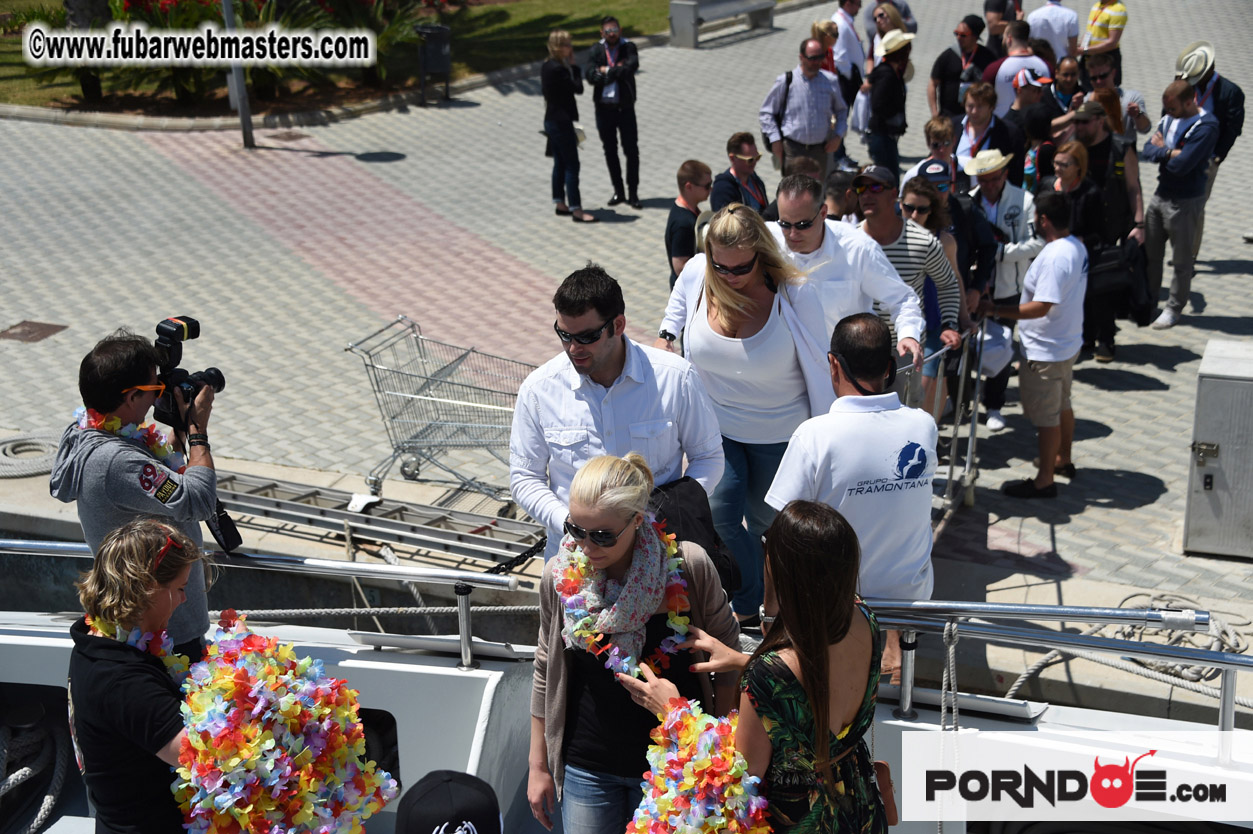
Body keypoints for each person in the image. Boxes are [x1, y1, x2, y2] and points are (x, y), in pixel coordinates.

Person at [619, 500, 887, 834]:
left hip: (802, 820)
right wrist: (742, 660)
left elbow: (738, 779)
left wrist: (674, 712)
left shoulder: (768, 674)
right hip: (858, 807)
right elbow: (818, 683)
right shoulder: (866, 618)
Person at [526, 454, 740, 832]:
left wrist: (720, 748)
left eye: (603, 535)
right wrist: (538, 767)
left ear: (637, 521)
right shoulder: (558, 578)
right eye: (576, 530)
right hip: (587, 767)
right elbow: (546, 666)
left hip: (676, 766)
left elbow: (725, 660)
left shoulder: (688, 566)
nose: (587, 547)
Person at [655, 204, 837, 621]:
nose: (729, 277)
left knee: (769, 526)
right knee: (719, 517)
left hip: (781, 433)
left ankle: (777, 607)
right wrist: (667, 336)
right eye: (721, 267)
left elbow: (821, 361)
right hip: (717, 427)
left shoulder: (795, 292)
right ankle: (748, 604)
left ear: (761, 255)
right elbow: (676, 309)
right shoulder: (699, 274)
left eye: (740, 268)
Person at [510, 264, 724, 560]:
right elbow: (524, 477)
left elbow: (708, 457)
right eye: (564, 335)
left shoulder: (676, 378)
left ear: (618, 325)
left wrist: (660, 517)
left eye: (586, 337)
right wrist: (572, 525)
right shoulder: (538, 390)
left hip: (659, 550)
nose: (573, 349)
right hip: (573, 558)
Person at [767, 313, 935, 680]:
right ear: (890, 368)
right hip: (909, 607)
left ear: (833, 364)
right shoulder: (924, 425)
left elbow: (778, 538)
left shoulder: (815, 436)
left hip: (840, 612)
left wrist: (771, 616)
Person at [51, 329, 217, 659]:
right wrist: (198, 432)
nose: (158, 398)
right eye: (155, 389)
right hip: (165, 633)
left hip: (140, 621)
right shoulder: (117, 461)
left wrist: (180, 432)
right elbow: (197, 499)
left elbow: (152, 477)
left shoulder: (85, 430)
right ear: (130, 398)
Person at [665, 176, 925, 368]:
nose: (791, 234)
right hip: (781, 369)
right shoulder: (767, 238)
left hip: (840, 369)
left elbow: (902, 299)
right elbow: (698, 271)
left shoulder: (859, 249)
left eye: (802, 225)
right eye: (785, 223)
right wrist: (668, 332)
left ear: (823, 213)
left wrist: (908, 334)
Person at [68, 519, 209, 834]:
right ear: (148, 589)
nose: (184, 599)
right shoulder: (123, 681)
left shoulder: (93, 642)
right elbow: (204, 758)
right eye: (180, 588)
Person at [979, 191, 1087, 498]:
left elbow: (1041, 307)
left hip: (1046, 351)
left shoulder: (1054, 258)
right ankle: (1062, 460)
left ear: (1043, 220)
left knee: (1046, 417)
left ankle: (1044, 480)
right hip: (1065, 345)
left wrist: (995, 311)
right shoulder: (1075, 245)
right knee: (1063, 404)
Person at [855, 166, 962, 408]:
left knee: (902, 421)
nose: (866, 194)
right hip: (859, 350)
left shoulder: (924, 242)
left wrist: (949, 324)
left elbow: (947, 284)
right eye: (861, 187)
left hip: (904, 352)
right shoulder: (849, 241)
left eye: (875, 187)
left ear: (894, 194)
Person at [964, 149, 1043, 432]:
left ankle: (994, 405)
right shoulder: (968, 201)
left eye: (994, 179)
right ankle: (963, 401)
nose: (989, 185)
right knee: (966, 345)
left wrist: (997, 253)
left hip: (1008, 287)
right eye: (983, 180)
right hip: (973, 287)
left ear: (1005, 174)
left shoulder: (1025, 201)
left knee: (1002, 347)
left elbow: (1037, 243)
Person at [1072, 98, 1145, 359]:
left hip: (1114, 227)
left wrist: (1139, 224)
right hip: (1085, 227)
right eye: (1076, 122)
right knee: (1082, 286)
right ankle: (1086, 337)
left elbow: (1133, 187)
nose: (1078, 127)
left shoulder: (1121, 147)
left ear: (1099, 121)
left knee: (1104, 286)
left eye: (1083, 122)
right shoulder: (1075, 146)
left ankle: (1106, 339)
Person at [1144, 80, 1220, 330]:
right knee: (1151, 255)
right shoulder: (1168, 118)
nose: (1168, 114)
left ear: (1190, 101)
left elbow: (1182, 166)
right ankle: (1149, 301)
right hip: (1160, 195)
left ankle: (1174, 308)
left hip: (1186, 201)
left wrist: (1163, 151)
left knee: (1181, 261)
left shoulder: (1206, 126)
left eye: (1173, 108)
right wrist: (1170, 153)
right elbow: (1146, 150)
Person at [900, 177, 974, 418]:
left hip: (933, 323)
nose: (914, 215)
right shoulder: (889, 236)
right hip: (898, 327)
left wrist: (962, 319)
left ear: (932, 211)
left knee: (926, 385)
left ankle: (929, 438)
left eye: (921, 209)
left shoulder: (944, 241)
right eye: (908, 207)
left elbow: (954, 282)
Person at [1176, 41, 1245, 260]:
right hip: (1180, 155)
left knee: (1195, 206)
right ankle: (1182, 249)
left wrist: (1217, 157)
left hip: (1207, 158)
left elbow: (1233, 128)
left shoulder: (1231, 92)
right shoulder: (1184, 84)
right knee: (1177, 204)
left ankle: (1188, 256)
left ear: (1211, 69)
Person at [759, 38, 848, 183]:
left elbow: (842, 111)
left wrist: (838, 136)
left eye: (821, 57)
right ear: (801, 57)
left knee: (817, 193)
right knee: (793, 192)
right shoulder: (787, 81)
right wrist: (775, 140)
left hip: (820, 150)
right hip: (794, 150)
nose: (817, 62)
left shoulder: (830, 81)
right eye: (813, 58)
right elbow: (766, 112)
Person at [586, 17, 641, 210]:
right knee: (610, 150)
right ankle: (619, 191)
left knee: (631, 150)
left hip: (625, 108)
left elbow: (630, 67)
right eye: (608, 31)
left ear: (620, 29)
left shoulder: (629, 47)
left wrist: (607, 70)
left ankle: (633, 192)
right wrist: (615, 69)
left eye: (615, 30)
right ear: (601, 33)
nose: (612, 34)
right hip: (604, 109)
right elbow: (591, 76)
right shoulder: (595, 50)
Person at [541, 30, 595, 224]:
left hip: (551, 120)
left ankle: (559, 202)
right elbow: (578, 88)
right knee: (572, 165)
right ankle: (576, 209)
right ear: (558, 47)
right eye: (567, 44)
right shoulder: (559, 69)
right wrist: (575, 67)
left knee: (560, 163)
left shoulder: (547, 66)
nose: (570, 48)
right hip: (562, 122)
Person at [955, 82, 1026, 189]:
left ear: (991, 107)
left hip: (990, 195)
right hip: (957, 192)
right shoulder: (953, 126)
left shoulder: (1009, 133)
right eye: (970, 106)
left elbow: (1016, 173)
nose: (974, 111)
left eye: (980, 106)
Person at [929, 14, 996, 120]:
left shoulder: (987, 57)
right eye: (957, 33)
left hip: (976, 116)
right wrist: (934, 112)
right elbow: (932, 83)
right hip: (949, 116)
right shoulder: (948, 55)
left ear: (975, 36)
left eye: (963, 35)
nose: (958, 38)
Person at [866, 30, 913, 174]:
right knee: (889, 178)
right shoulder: (886, 76)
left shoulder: (891, 72)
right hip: (882, 136)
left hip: (886, 135)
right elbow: (877, 105)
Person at [986, 21, 1051, 120]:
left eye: (1004, 36)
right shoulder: (1046, 66)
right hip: (1037, 126)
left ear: (1009, 39)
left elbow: (984, 100)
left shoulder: (994, 69)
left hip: (1003, 127)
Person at [1085, 52, 1150, 147]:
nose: (1098, 81)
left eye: (1103, 76)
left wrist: (1138, 115)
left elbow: (1145, 129)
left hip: (1123, 157)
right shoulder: (1087, 100)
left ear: (1113, 73)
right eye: (1094, 78)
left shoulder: (1130, 98)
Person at [666, 160, 713, 288]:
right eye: (707, 186)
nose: (711, 189)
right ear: (689, 187)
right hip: (689, 292)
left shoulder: (689, 211)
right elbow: (680, 267)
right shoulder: (682, 224)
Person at [711, 132, 770, 214]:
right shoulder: (722, 189)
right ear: (732, 158)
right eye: (750, 160)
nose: (755, 162)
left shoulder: (755, 180)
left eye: (757, 157)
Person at [1079, 0, 1126, 88]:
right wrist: (1079, 47)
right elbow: (1089, 32)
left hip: (1105, 61)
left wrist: (1084, 50)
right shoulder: (1097, 6)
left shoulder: (1118, 10)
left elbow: (1112, 42)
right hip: (1089, 59)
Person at [1004, 68, 1050, 137]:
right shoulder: (1010, 123)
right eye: (1036, 90)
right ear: (1020, 90)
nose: (1041, 94)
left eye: (1041, 90)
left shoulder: (1038, 113)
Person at [865, 3, 905, 76]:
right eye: (875, 19)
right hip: (877, 80)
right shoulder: (877, 37)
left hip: (892, 80)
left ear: (891, 14)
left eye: (881, 15)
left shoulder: (903, 39)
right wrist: (869, 77)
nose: (878, 20)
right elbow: (870, 58)